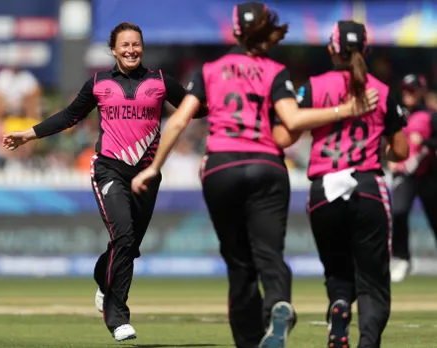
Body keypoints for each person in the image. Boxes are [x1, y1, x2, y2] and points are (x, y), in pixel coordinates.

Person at [131, 5, 379, 348]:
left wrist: (154, 167)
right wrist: (347, 110)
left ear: (234, 32)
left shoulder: (210, 69)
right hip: (266, 166)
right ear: (263, 31)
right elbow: (292, 120)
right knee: (269, 253)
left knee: (238, 260)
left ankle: (248, 341)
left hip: (221, 167)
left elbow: (177, 121)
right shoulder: (275, 71)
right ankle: (278, 302)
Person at [2, 21, 206, 343]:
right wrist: (29, 134)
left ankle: (102, 281)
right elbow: (70, 116)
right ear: (113, 49)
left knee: (129, 247)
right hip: (109, 169)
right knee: (123, 236)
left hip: (147, 174)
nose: (131, 50)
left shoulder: (161, 81)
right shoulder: (98, 83)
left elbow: (196, 111)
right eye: (124, 45)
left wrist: (205, 92)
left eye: (136, 44)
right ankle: (117, 318)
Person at [294, 20, 409, 348]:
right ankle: (367, 342)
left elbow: (286, 131)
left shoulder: (314, 86)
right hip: (367, 185)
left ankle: (340, 306)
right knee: (373, 282)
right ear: (366, 50)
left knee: (336, 270)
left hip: (324, 188)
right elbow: (401, 150)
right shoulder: (383, 89)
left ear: (332, 49)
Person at [388, 74, 437, 283]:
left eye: (412, 89)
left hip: (428, 174)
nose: (408, 93)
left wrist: (425, 146)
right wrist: (390, 158)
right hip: (404, 174)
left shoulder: (430, 115)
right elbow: (387, 137)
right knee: (398, 213)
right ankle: (401, 257)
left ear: (421, 91)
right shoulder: (398, 114)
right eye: (405, 89)